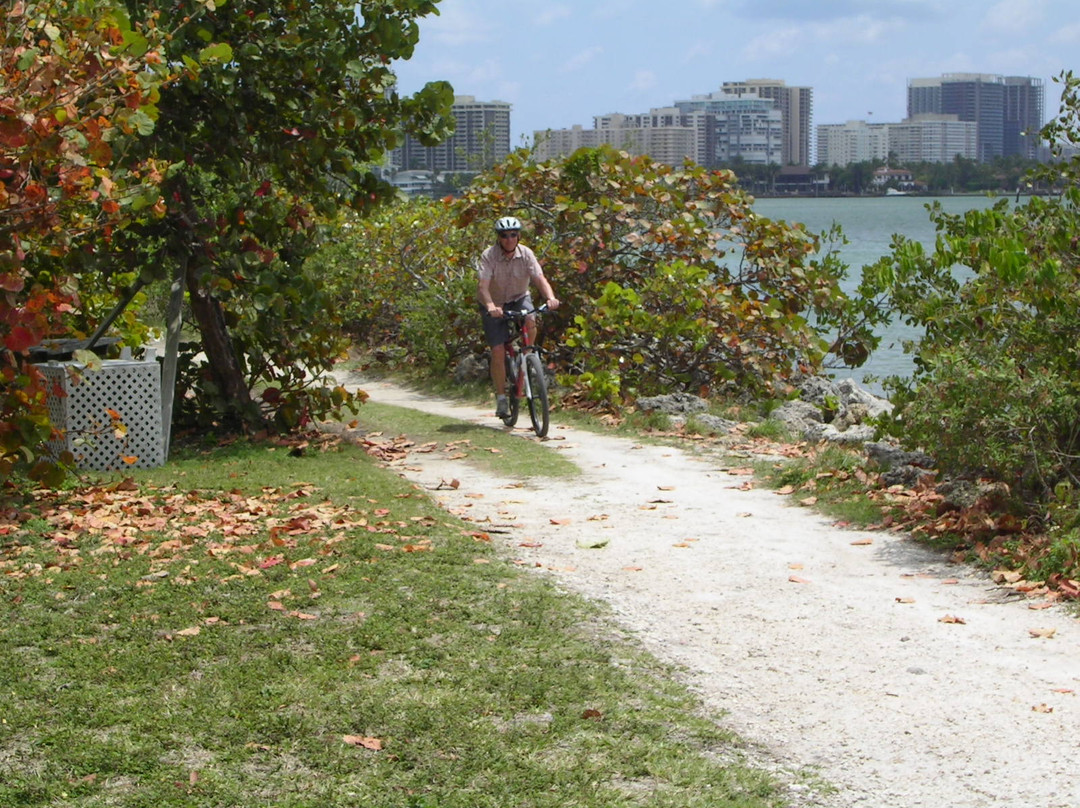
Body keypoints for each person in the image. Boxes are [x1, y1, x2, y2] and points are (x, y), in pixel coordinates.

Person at [477, 216, 560, 418]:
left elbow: (540, 279)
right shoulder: (489, 256)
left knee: (531, 319)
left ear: (518, 235)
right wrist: (490, 306)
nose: (509, 239)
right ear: (499, 237)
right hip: (495, 302)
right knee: (497, 350)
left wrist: (551, 298)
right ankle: (501, 398)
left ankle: (526, 357)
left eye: (513, 235)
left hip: (519, 297)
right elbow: (482, 287)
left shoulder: (526, 254)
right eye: (504, 235)